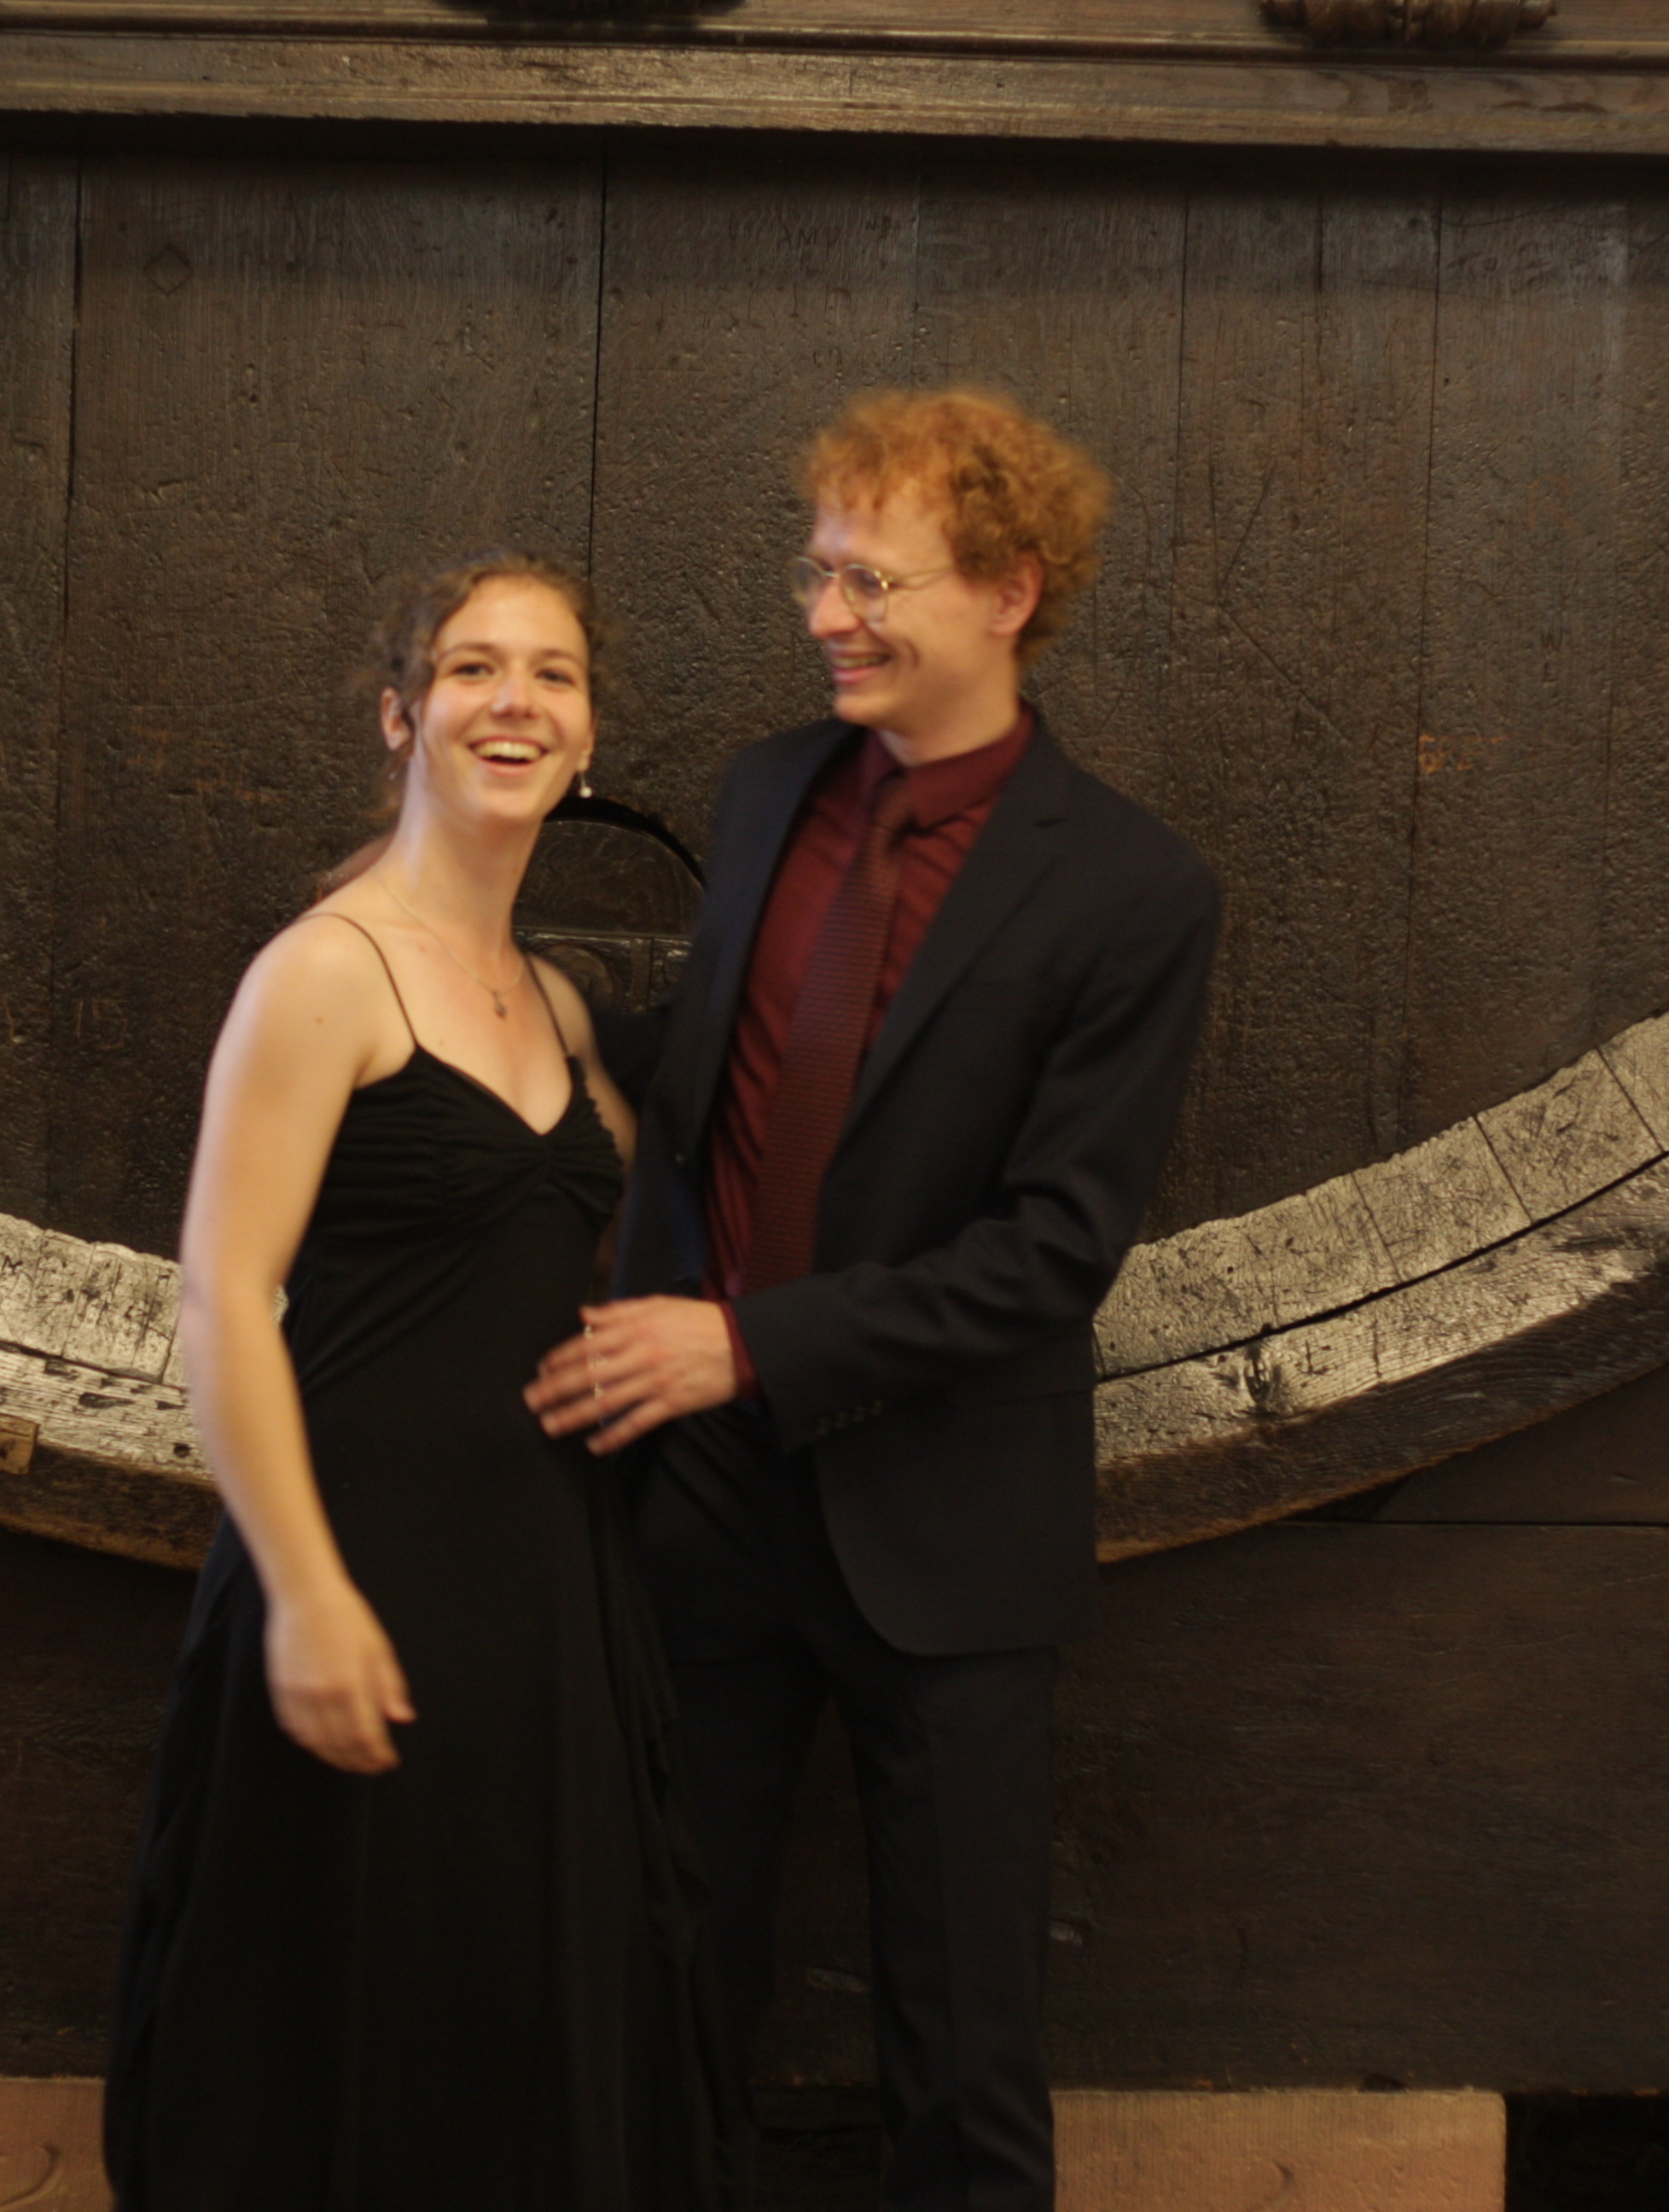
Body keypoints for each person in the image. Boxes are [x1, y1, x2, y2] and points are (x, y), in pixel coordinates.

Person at [524, 389, 1221, 2212]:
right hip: (700, 1500)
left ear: (1010, 590)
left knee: (964, 2053)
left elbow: (1054, 1251)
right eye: (818, 569)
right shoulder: (769, 788)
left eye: (871, 580)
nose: (825, 613)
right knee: (668, 1993)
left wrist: (745, 1343)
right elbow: (719, 1073)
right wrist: (498, 1006)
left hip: (946, 1529)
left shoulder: (1137, 890)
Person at [105, 552, 730, 2212]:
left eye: (553, 675)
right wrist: (307, 1595)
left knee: (519, 2016)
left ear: (585, 739)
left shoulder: (562, 1007)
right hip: (363, 1567)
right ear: (401, 717)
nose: (516, 701)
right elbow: (222, 1299)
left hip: (553, 1592)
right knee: (353, 2023)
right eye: (473, 669)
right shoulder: (326, 973)